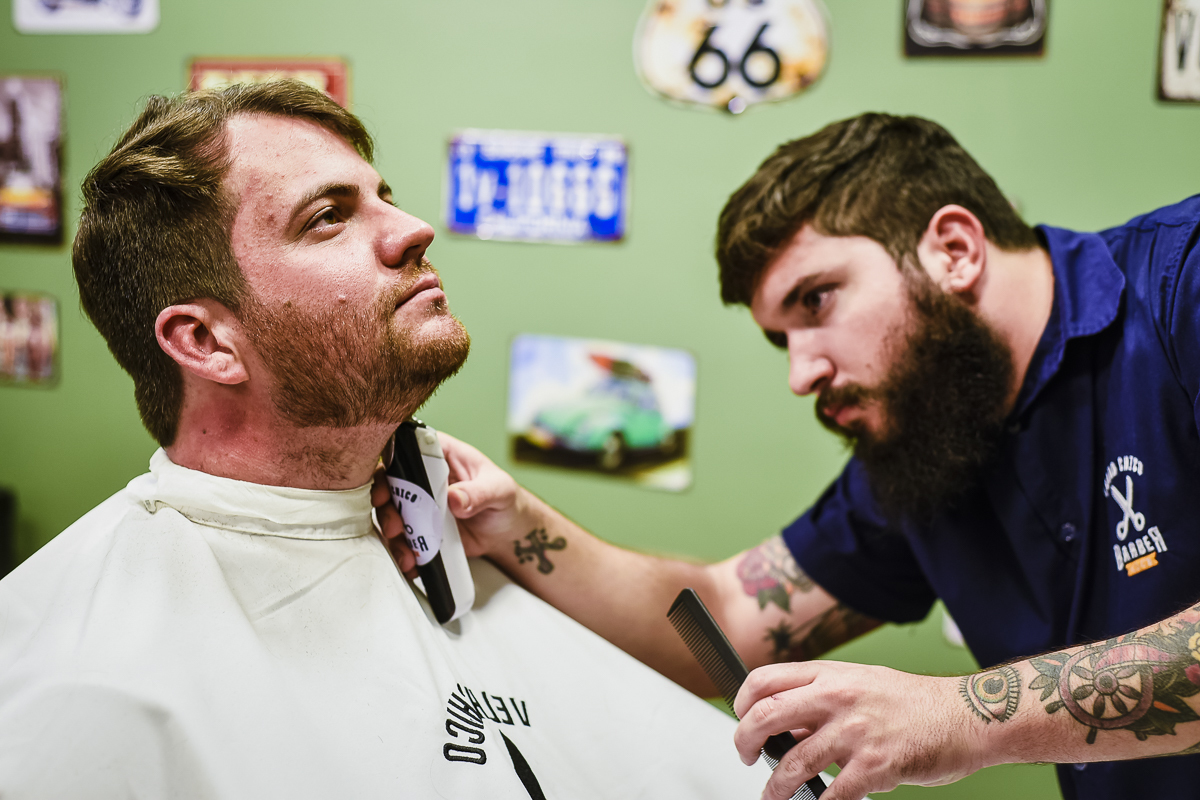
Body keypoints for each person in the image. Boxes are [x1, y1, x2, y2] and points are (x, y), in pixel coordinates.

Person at [0, 81, 770, 798]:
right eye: (328, 216)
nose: (413, 229)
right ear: (206, 340)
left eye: (383, 197)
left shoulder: (445, 532)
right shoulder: (83, 678)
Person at [403, 114, 1200, 800]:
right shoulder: (928, 441)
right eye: (781, 338)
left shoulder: (1182, 290)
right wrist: (513, 524)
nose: (800, 372)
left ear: (954, 249)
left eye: (818, 300)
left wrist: (959, 716)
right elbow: (729, 617)